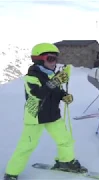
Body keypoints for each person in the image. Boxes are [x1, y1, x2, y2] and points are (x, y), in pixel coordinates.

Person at [4, 43, 87, 180]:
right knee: (26, 147)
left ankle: (65, 162)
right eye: (50, 59)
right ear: (39, 59)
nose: (54, 62)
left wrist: (63, 95)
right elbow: (39, 93)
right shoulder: (31, 77)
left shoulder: (51, 76)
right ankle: (11, 173)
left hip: (53, 115)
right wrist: (55, 81)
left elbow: (55, 91)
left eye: (55, 59)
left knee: (65, 140)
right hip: (35, 118)